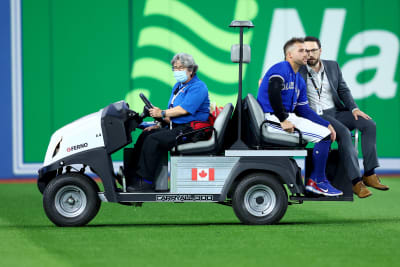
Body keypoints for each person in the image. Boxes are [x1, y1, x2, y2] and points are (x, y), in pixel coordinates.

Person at [299, 36, 389, 198]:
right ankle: (356, 182)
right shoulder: (299, 69)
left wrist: (354, 109)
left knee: (369, 125)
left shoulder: (332, 66)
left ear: (320, 51)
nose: (310, 54)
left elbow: (343, 90)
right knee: (345, 134)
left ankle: (369, 173)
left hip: (337, 111)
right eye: (306, 51)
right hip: (316, 115)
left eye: (313, 50)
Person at [257, 37, 342, 196]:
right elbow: (273, 90)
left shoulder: (298, 79)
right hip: (271, 119)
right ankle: (318, 181)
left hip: (285, 117)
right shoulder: (281, 67)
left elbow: (305, 110)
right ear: (289, 55)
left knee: (326, 132)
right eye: (301, 50)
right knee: (323, 137)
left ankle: (316, 180)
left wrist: (326, 124)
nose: (306, 54)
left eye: (308, 50)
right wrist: (283, 120)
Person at [126, 53, 210, 191]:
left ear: (191, 70)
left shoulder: (198, 87)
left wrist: (162, 113)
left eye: (181, 68)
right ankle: (131, 175)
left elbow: (183, 110)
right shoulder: (178, 86)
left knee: (153, 140)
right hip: (176, 126)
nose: (177, 71)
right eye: (175, 68)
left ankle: (146, 181)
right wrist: (159, 123)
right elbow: (172, 112)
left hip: (191, 130)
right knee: (145, 135)